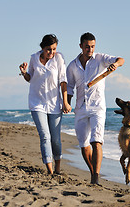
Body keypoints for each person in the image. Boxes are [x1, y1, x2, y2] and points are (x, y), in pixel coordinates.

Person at [67, 32, 124, 185]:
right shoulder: (73, 65)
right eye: (87, 47)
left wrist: (116, 64)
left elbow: (121, 59)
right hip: (80, 108)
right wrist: (67, 102)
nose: (90, 50)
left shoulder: (100, 58)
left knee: (96, 141)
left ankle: (95, 178)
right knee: (84, 145)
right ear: (80, 46)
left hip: (98, 107)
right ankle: (93, 172)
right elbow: (70, 87)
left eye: (92, 47)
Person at [19, 34, 72, 175]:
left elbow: (63, 81)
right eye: (49, 49)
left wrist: (65, 102)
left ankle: (58, 167)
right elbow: (29, 78)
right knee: (45, 136)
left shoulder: (59, 59)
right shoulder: (34, 58)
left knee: (55, 139)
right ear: (42, 48)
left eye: (54, 49)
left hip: (54, 104)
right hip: (37, 103)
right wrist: (24, 72)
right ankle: (49, 170)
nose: (52, 52)